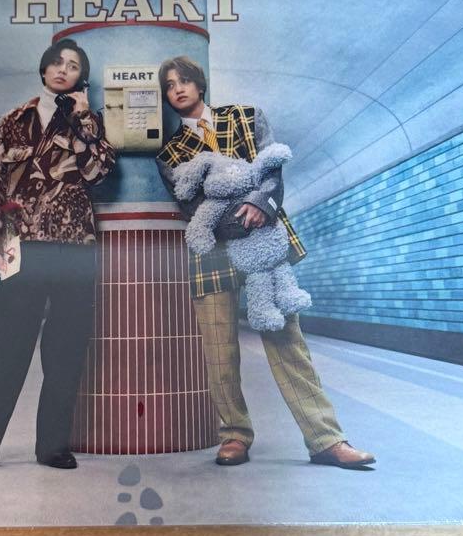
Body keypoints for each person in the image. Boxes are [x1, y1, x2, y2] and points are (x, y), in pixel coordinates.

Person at [155, 56, 376, 470]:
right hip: (213, 252)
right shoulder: (169, 153)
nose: (178, 89)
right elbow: (190, 206)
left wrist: (260, 204)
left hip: (265, 245)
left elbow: (272, 169)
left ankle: (326, 439)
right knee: (219, 352)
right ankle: (234, 436)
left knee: (287, 340)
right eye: (169, 85)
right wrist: (238, 222)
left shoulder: (247, 116)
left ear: (200, 84)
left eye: (184, 80)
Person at [0, 39, 116, 474]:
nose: (63, 69)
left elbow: (99, 175)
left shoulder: (91, 122)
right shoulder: (12, 121)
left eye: (73, 65)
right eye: (57, 62)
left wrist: (82, 121)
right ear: (43, 70)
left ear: (81, 78)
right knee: (5, 345)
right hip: (23, 245)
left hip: (75, 246)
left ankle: (52, 445)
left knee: (66, 347)